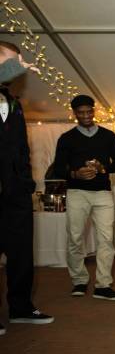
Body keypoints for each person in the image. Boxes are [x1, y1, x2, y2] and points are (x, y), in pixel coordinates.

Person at [0, 41, 54, 335]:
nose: (18, 65)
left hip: (16, 193)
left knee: (21, 253)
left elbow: (21, 148)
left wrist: (26, 183)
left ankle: (21, 307)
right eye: (12, 60)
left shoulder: (13, 102)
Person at [53, 95, 115, 300]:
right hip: (77, 193)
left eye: (89, 111)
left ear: (94, 111)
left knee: (106, 240)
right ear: (74, 113)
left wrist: (103, 168)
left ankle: (103, 285)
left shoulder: (109, 136)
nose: (86, 115)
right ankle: (79, 281)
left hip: (103, 193)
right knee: (75, 238)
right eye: (81, 112)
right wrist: (75, 173)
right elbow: (58, 169)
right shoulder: (66, 139)